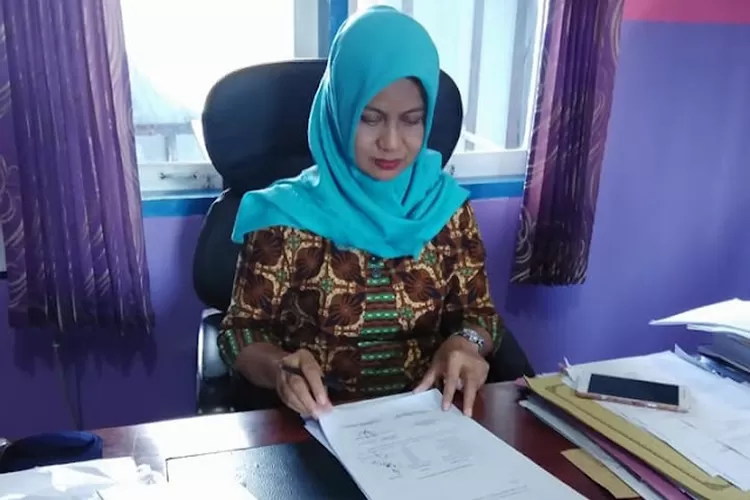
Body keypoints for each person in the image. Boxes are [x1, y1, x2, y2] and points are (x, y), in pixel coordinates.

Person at [217, 6, 506, 419]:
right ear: (339, 111)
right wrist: (279, 368)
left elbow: (480, 316)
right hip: (315, 422)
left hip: (429, 421)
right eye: (369, 119)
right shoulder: (283, 218)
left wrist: (466, 344)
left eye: (412, 121)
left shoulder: (446, 209)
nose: (391, 142)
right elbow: (241, 331)